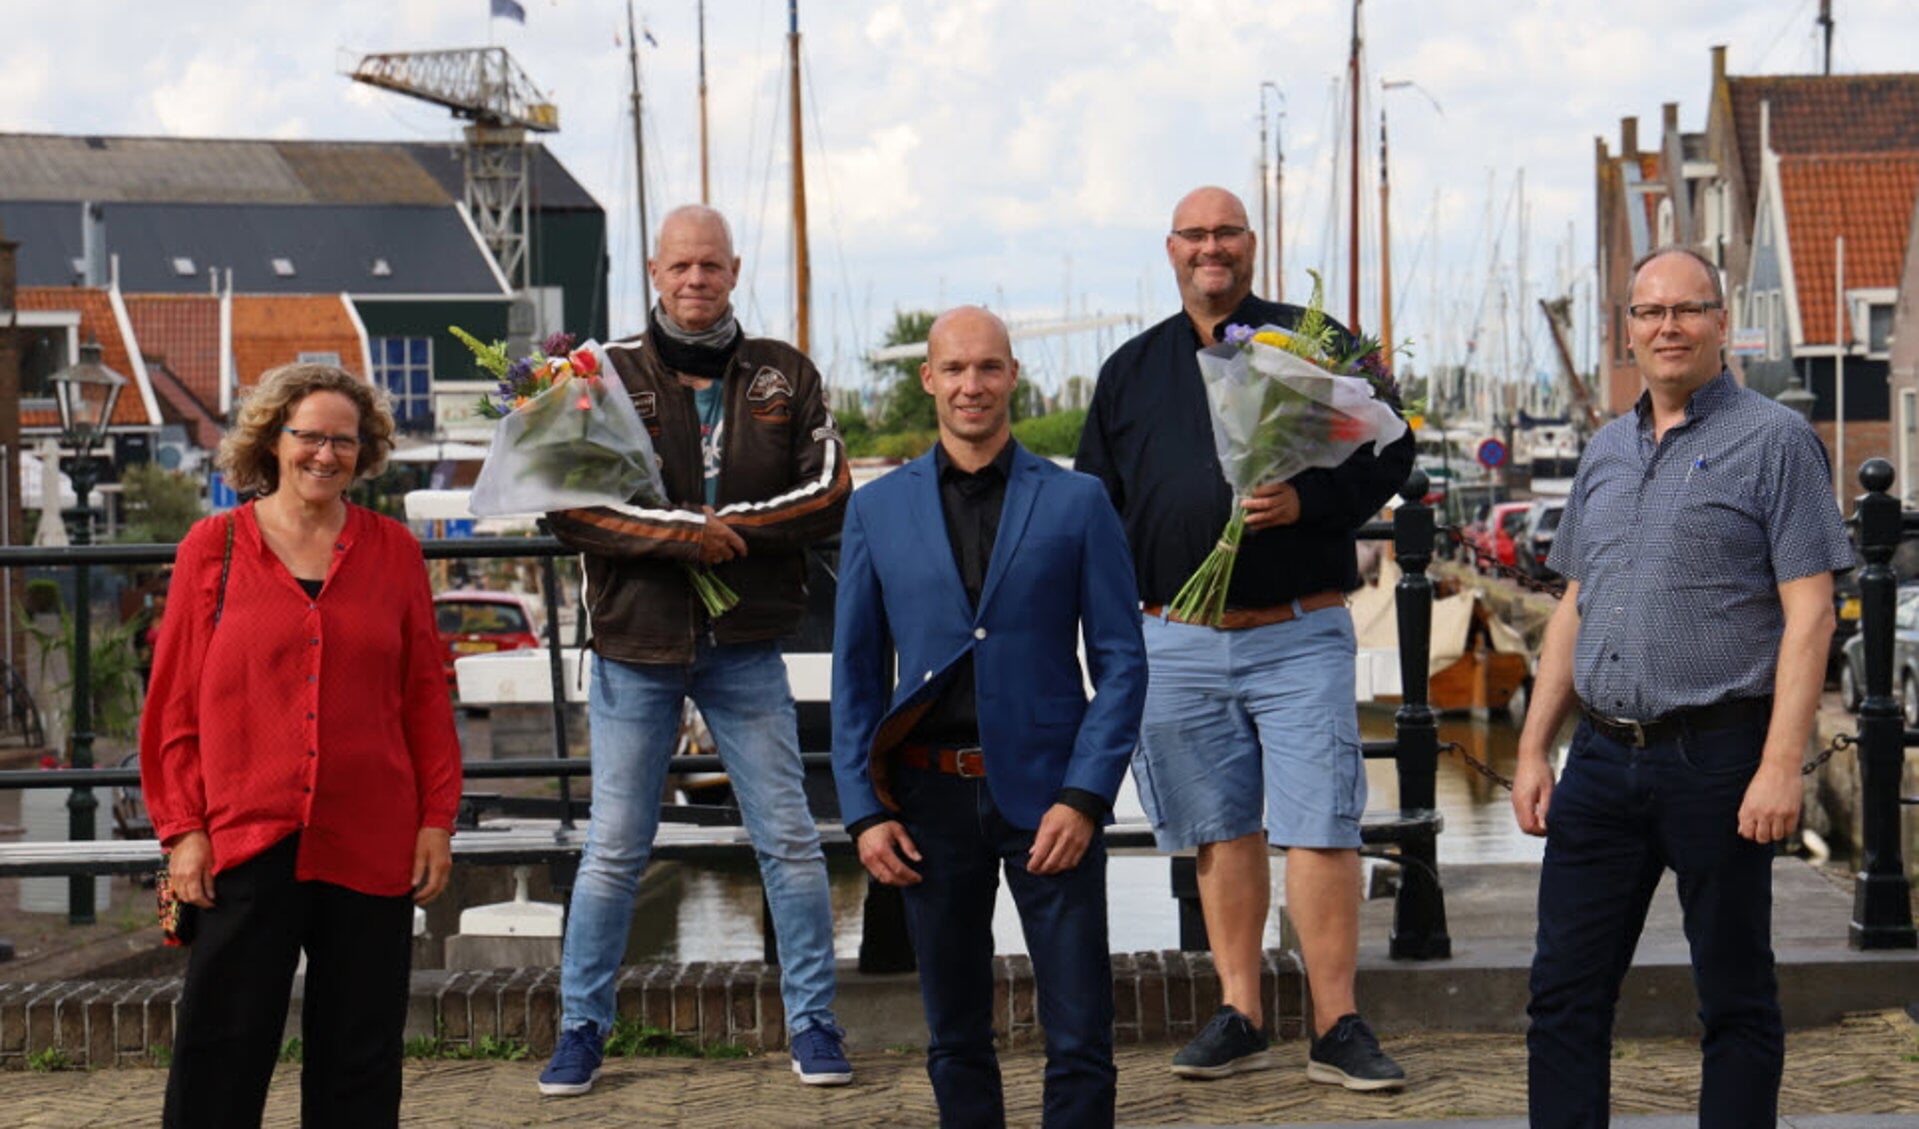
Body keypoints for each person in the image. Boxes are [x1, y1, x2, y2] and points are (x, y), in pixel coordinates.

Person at [1076, 186, 1412, 1090]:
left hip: (1297, 628)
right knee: (1220, 830)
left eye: (1225, 232)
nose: (1210, 247)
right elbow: (1096, 504)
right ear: (1170, 248)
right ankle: (1241, 1011)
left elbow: (1394, 445)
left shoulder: (1316, 345)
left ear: (1252, 244)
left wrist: (1313, 501)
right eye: (1194, 234)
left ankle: (1335, 1022)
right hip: (1175, 635)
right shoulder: (1128, 371)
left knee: (1320, 824)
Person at [1510, 245, 1853, 1128]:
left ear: (1720, 321)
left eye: (1686, 310)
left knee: (1734, 1001)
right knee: (1561, 998)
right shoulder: (1603, 451)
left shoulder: (1775, 442)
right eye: (1649, 312)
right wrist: (1531, 748)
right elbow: (1574, 609)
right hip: (1597, 757)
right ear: (1627, 329)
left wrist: (1782, 765)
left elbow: (1810, 615)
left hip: (1718, 759)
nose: (1667, 326)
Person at [537, 204, 853, 1095]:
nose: (695, 280)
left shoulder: (784, 374)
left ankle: (814, 1022)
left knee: (789, 840)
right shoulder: (599, 376)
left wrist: (729, 532)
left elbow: (828, 493)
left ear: (734, 270)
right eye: (680, 265)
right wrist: (687, 538)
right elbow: (569, 509)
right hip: (636, 645)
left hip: (745, 643)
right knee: (613, 848)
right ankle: (580, 1029)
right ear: (654, 270)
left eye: (711, 265)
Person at [832, 306, 1147, 1127]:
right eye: (955, 369)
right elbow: (856, 676)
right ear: (928, 379)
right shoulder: (876, 509)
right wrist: (864, 811)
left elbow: (1121, 663)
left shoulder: (1078, 502)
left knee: (1080, 1030)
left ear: (1012, 375)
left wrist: (1085, 796)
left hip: (1051, 796)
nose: (972, 385)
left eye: (988, 367)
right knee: (954, 1033)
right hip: (926, 800)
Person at [141, 363, 462, 1128]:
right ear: (272, 440)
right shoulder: (210, 548)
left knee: (361, 1053)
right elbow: (172, 704)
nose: (325, 454)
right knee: (221, 1049)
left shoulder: (392, 552)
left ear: (366, 450)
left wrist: (436, 820)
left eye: (343, 441)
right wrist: (184, 830)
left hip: (370, 835)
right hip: (244, 837)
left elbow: (423, 695)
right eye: (308, 436)